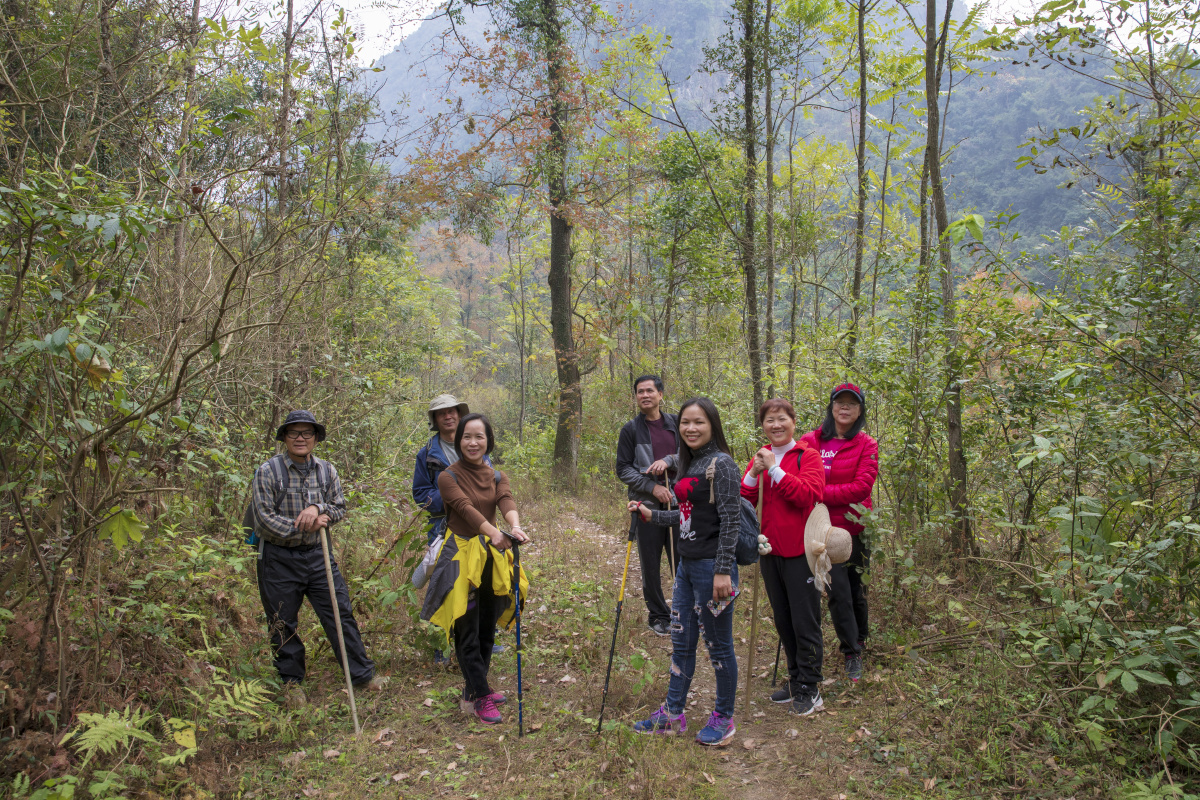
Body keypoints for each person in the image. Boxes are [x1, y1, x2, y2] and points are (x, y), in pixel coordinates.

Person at [251, 410, 383, 708]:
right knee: (282, 621)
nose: (300, 438)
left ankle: (361, 675)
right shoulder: (268, 471)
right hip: (278, 558)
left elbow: (339, 507)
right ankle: (291, 683)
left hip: (318, 555)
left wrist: (317, 508)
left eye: (307, 433)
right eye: (294, 433)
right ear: (284, 437)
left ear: (315, 438)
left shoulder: (327, 470)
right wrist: (304, 525)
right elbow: (263, 520)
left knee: (340, 613)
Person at [630, 397, 740, 747]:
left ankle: (723, 718)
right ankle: (673, 714)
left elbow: (731, 522)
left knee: (719, 646)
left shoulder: (721, 464)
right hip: (688, 568)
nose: (691, 428)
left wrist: (723, 571)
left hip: (713, 570)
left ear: (712, 426)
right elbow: (690, 517)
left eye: (699, 422)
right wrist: (654, 516)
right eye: (686, 423)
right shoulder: (691, 465)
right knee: (682, 642)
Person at [420, 413, 530, 725]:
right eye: (467, 437)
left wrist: (515, 526)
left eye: (479, 437)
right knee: (466, 625)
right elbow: (465, 509)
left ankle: (474, 690)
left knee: (487, 623)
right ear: (459, 441)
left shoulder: (496, 475)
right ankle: (480, 695)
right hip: (461, 556)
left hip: (491, 556)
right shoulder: (448, 477)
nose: (472, 442)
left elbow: (505, 500)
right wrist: (493, 533)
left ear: (488, 441)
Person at [740, 399, 827, 715]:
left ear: (793, 421)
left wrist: (774, 469)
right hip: (769, 549)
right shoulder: (760, 457)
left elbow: (808, 494)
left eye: (781, 419)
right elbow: (745, 499)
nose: (775, 425)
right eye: (769, 420)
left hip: (802, 551)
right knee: (783, 618)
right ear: (762, 424)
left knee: (805, 620)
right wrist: (755, 472)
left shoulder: (808, 456)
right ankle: (795, 679)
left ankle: (811, 685)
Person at [800, 383, 879, 683]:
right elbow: (798, 476)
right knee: (838, 593)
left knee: (856, 590)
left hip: (854, 527)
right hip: (821, 530)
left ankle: (861, 638)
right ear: (831, 407)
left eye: (851, 404)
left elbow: (861, 487)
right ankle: (851, 652)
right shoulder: (811, 441)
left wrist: (817, 492)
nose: (844, 408)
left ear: (859, 410)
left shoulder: (866, 444)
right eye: (839, 403)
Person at [615, 375, 681, 636]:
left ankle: (685, 609)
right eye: (640, 392)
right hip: (646, 506)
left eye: (650, 391)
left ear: (660, 394)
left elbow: (690, 454)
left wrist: (669, 460)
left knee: (681, 559)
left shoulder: (676, 423)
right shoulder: (630, 430)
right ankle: (658, 615)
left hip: (679, 503)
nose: (645, 395)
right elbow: (623, 468)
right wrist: (652, 487)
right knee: (650, 563)